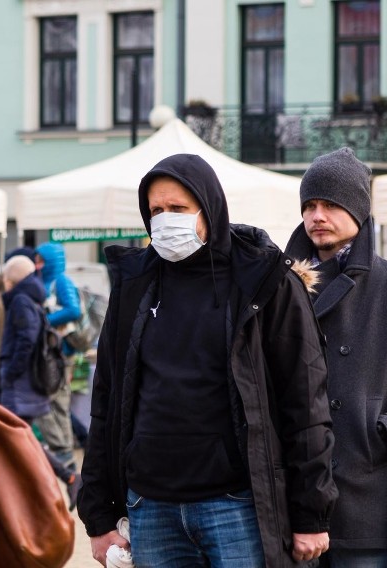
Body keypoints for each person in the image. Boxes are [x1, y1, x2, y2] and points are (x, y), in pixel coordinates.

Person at [78, 153, 338, 567]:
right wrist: (98, 515)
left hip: (236, 506)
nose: (165, 220)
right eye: (156, 211)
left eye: (178, 209)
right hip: (151, 506)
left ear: (209, 208)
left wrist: (310, 512)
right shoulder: (134, 284)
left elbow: (305, 401)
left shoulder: (264, 279)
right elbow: (107, 400)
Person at [284, 148, 387, 567]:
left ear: (357, 210)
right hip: (297, 498)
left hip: (367, 490)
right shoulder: (280, 283)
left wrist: (377, 432)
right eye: (309, 205)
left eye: (330, 204)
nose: (316, 215)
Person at [0, 254, 82, 511]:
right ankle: (47, 486)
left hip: (20, 385)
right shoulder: (31, 299)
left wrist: (11, 371)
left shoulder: (21, 301)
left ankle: (64, 479)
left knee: (17, 438)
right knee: (20, 438)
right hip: (26, 384)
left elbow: (27, 339)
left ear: (9, 279)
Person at [34, 241, 81, 468]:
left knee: (50, 400)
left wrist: (43, 321)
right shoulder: (46, 280)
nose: (37, 263)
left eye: (41, 259)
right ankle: (66, 455)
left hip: (60, 352)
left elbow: (74, 310)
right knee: (59, 402)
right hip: (55, 350)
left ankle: (63, 452)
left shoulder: (60, 280)